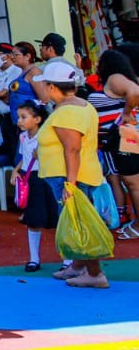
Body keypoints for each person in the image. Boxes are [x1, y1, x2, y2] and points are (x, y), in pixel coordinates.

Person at [35, 59, 109, 287]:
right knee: (78, 222)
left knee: (79, 225)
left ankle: (95, 273)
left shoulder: (66, 112)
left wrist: (70, 184)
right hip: (80, 174)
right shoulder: (81, 105)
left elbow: (72, 149)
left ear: (51, 86)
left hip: (70, 176)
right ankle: (78, 265)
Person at [95, 49, 139, 239]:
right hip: (124, 137)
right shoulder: (119, 79)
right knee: (132, 182)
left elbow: (135, 92)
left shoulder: (114, 78)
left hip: (123, 137)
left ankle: (138, 226)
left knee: (133, 183)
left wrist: (127, 114)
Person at [11, 101, 54, 272]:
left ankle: (68, 259)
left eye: (24, 117)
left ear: (37, 119)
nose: (19, 121)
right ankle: (34, 258)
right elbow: (25, 158)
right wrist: (16, 171)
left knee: (57, 218)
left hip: (47, 177)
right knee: (33, 220)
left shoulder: (46, 137)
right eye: (19, 117)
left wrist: (43, 153)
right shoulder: (23, 137)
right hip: (32, 179)